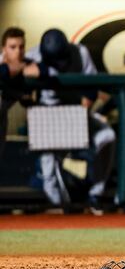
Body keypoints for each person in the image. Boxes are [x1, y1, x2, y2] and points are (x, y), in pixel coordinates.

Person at [25, 29, 116, 212]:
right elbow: (25, 93)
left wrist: (78, 120)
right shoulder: (33, 56)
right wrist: (29, 70)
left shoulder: (80, 52)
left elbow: (91, 90)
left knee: (107, 136)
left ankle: (95, 194)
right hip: (47, 117)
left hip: (76, 111)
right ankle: (60, 210)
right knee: (49, 173)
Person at [0, 27, 34, 158]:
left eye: (21, 47)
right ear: (4, 49)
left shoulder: (27, 64)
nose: (18, 51)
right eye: (12, 47)